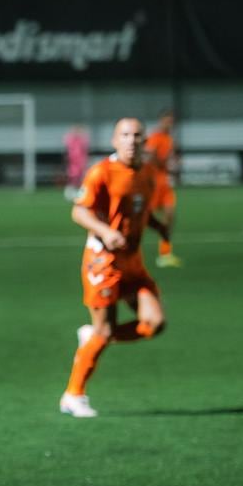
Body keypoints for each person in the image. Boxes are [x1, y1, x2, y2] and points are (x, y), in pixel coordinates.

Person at [59, 117, 167, 419]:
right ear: (114, 141)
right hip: (102, 262)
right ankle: (73, 395)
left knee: (154, 323)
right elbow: (79, 211)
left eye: (137, 135)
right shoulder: (101, 172)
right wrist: (105, 232)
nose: (132, 140)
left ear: (145, 141)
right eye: (125, 135)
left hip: (133, 261)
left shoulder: (148, 173)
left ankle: (93, 336)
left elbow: (140, 209)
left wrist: (159, 226)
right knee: (104, 331)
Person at [144, 109, 182, 267]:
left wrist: (172, 164)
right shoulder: (155, 137)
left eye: (171, 121)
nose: (169, 123)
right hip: (152, 183)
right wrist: (167, 162)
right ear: (161, 121)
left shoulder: (169, 139)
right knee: (142, 219)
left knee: (170, 215)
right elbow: (151, 157)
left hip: (164, 184)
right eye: (167, 120)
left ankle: (165, 253)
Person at [62, 124, 91, 201]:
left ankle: (80, 191)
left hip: (81, 161)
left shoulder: (82, 139)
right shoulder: (71, 139)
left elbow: (85, 147)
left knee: (82, 176)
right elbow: (67, 145)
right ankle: (71, 190)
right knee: (73, 176)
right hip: (73, 161)